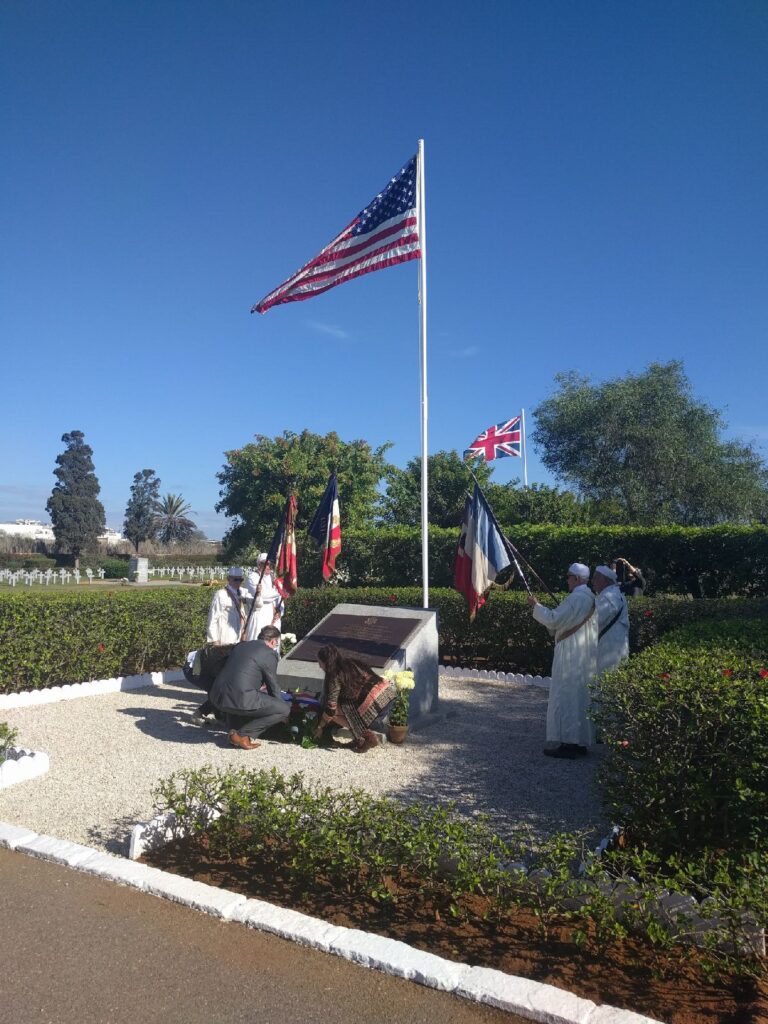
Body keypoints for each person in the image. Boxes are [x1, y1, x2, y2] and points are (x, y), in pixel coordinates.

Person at [526, 562, 597, 758]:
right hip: (583, 653)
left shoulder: (576, 598)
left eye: (568, 576)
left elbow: (554, 620)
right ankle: (579, 741)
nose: (566, 580)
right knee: (580, 697)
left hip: (571, 653)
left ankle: (569, 743)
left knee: (567, 696)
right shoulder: (589, 597)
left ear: (576, 578)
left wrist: (536, 606)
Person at [208, 625, 289, 750]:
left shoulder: (241, 645)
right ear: (273, 641)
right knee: (283, 709)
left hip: (217, 696)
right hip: (240, 698)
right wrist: (281, 709)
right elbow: (272, 685)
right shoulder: (269, 653)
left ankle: (233, 730)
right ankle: (241, 735)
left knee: (240, 694)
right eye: (276, 644)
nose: (275, 647)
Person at [313, 644, 397, 753]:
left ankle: (366, 737)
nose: (320, 666)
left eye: (320, 662)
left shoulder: (334, 674)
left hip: (375, 706)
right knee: (348, 706)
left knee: (334, 713)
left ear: (326, 662)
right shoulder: (352, 662)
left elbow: (331, 707)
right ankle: (360, 740)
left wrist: (320, 727)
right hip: (388, 696)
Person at [192, 566, 250, 722]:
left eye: (240, 580)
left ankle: (217, 712)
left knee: (227, 681)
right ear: (229, 579)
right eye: (235, 579)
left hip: (236, 641)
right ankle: (207, 711)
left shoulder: (242, 594)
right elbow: (213, 618)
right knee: (222, 681)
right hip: (223, 641)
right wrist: (213, 641)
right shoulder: (221, 594)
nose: (238, 582)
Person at [592, 565, 630, 676]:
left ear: (603, 580)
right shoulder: (614, 594)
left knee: (605, 683)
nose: (592, 581)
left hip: (609, 651)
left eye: (595, 578)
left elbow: (594, 620)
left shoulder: (608, 597)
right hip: (614, 648)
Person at [243, 554, 283, 641]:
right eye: (264, 563)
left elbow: (280, 599)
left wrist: (280, 611)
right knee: (258, 642)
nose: (267, 566)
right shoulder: (252, 577)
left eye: (269, 564)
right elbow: (263, 596)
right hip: (259, 614)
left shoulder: (274, 577)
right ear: (258, 564)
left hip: (274, 617)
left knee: (274, 644)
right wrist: (280, 591)